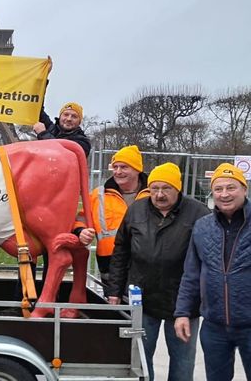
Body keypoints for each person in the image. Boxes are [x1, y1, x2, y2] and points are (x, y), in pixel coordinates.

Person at [106, 162, 210, 381]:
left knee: (183, 362)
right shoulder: (137, 209)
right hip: (142, 299)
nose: (159, 194)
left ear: (178, 189)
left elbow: (209, 259)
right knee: (140, 359)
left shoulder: (199, 213)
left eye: (166, 189)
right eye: (155, 188)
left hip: (183, 303)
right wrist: (114, 291)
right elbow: (121, 251)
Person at [175, 163, 251, 381]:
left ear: (244, 189)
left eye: (231, 187)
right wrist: (182, 312)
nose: (224, 194)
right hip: (215, 326)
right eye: (218, 189)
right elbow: (191, 274)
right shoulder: (202, 226)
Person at [77, 145, 148, 286]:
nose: (118, 172)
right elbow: (80, 219)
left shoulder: (152, 195)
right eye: (115, 167)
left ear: (137, 170)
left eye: (124, 167)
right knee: (115, 306)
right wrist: (80, 231)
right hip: (109, 265)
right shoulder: (99, 195)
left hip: (145, 265)